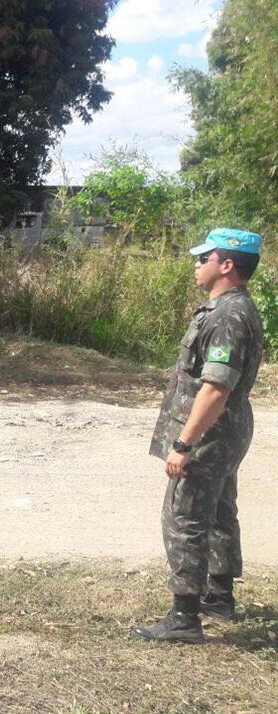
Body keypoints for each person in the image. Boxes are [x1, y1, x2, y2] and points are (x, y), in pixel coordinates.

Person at [132, 228, 264, 644]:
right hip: (225, 431)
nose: (196, 264)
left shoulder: (227, 316)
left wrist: (184, 443)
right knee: (220, 510)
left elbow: (216, 389)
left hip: (209, 435)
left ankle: (184, 618)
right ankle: (219, 597)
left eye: (203, 257)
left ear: (226, 265)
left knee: (185, 517)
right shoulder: (234, 308)